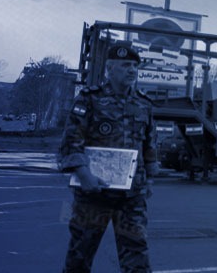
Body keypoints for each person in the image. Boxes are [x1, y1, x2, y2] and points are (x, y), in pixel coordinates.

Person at [59, 45, 159, 273]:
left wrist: (149, 180)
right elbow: (71, 141)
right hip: (93, 193)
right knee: (80, 255)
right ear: (110, 68)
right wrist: (84, 175)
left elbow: (150, 144)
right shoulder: (89, 99)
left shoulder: (143, 103)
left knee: (137, 256)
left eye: (135, 66)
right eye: (125, 65)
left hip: (131, 197)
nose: (132, 70)